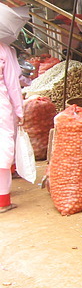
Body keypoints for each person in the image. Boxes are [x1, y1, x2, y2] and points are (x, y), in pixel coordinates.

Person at [0, 39, 24, 213]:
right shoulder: (3, 49)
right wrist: (19, 110)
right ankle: (3, 200)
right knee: (3, 148)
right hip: (1, 105)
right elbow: (13, 83)